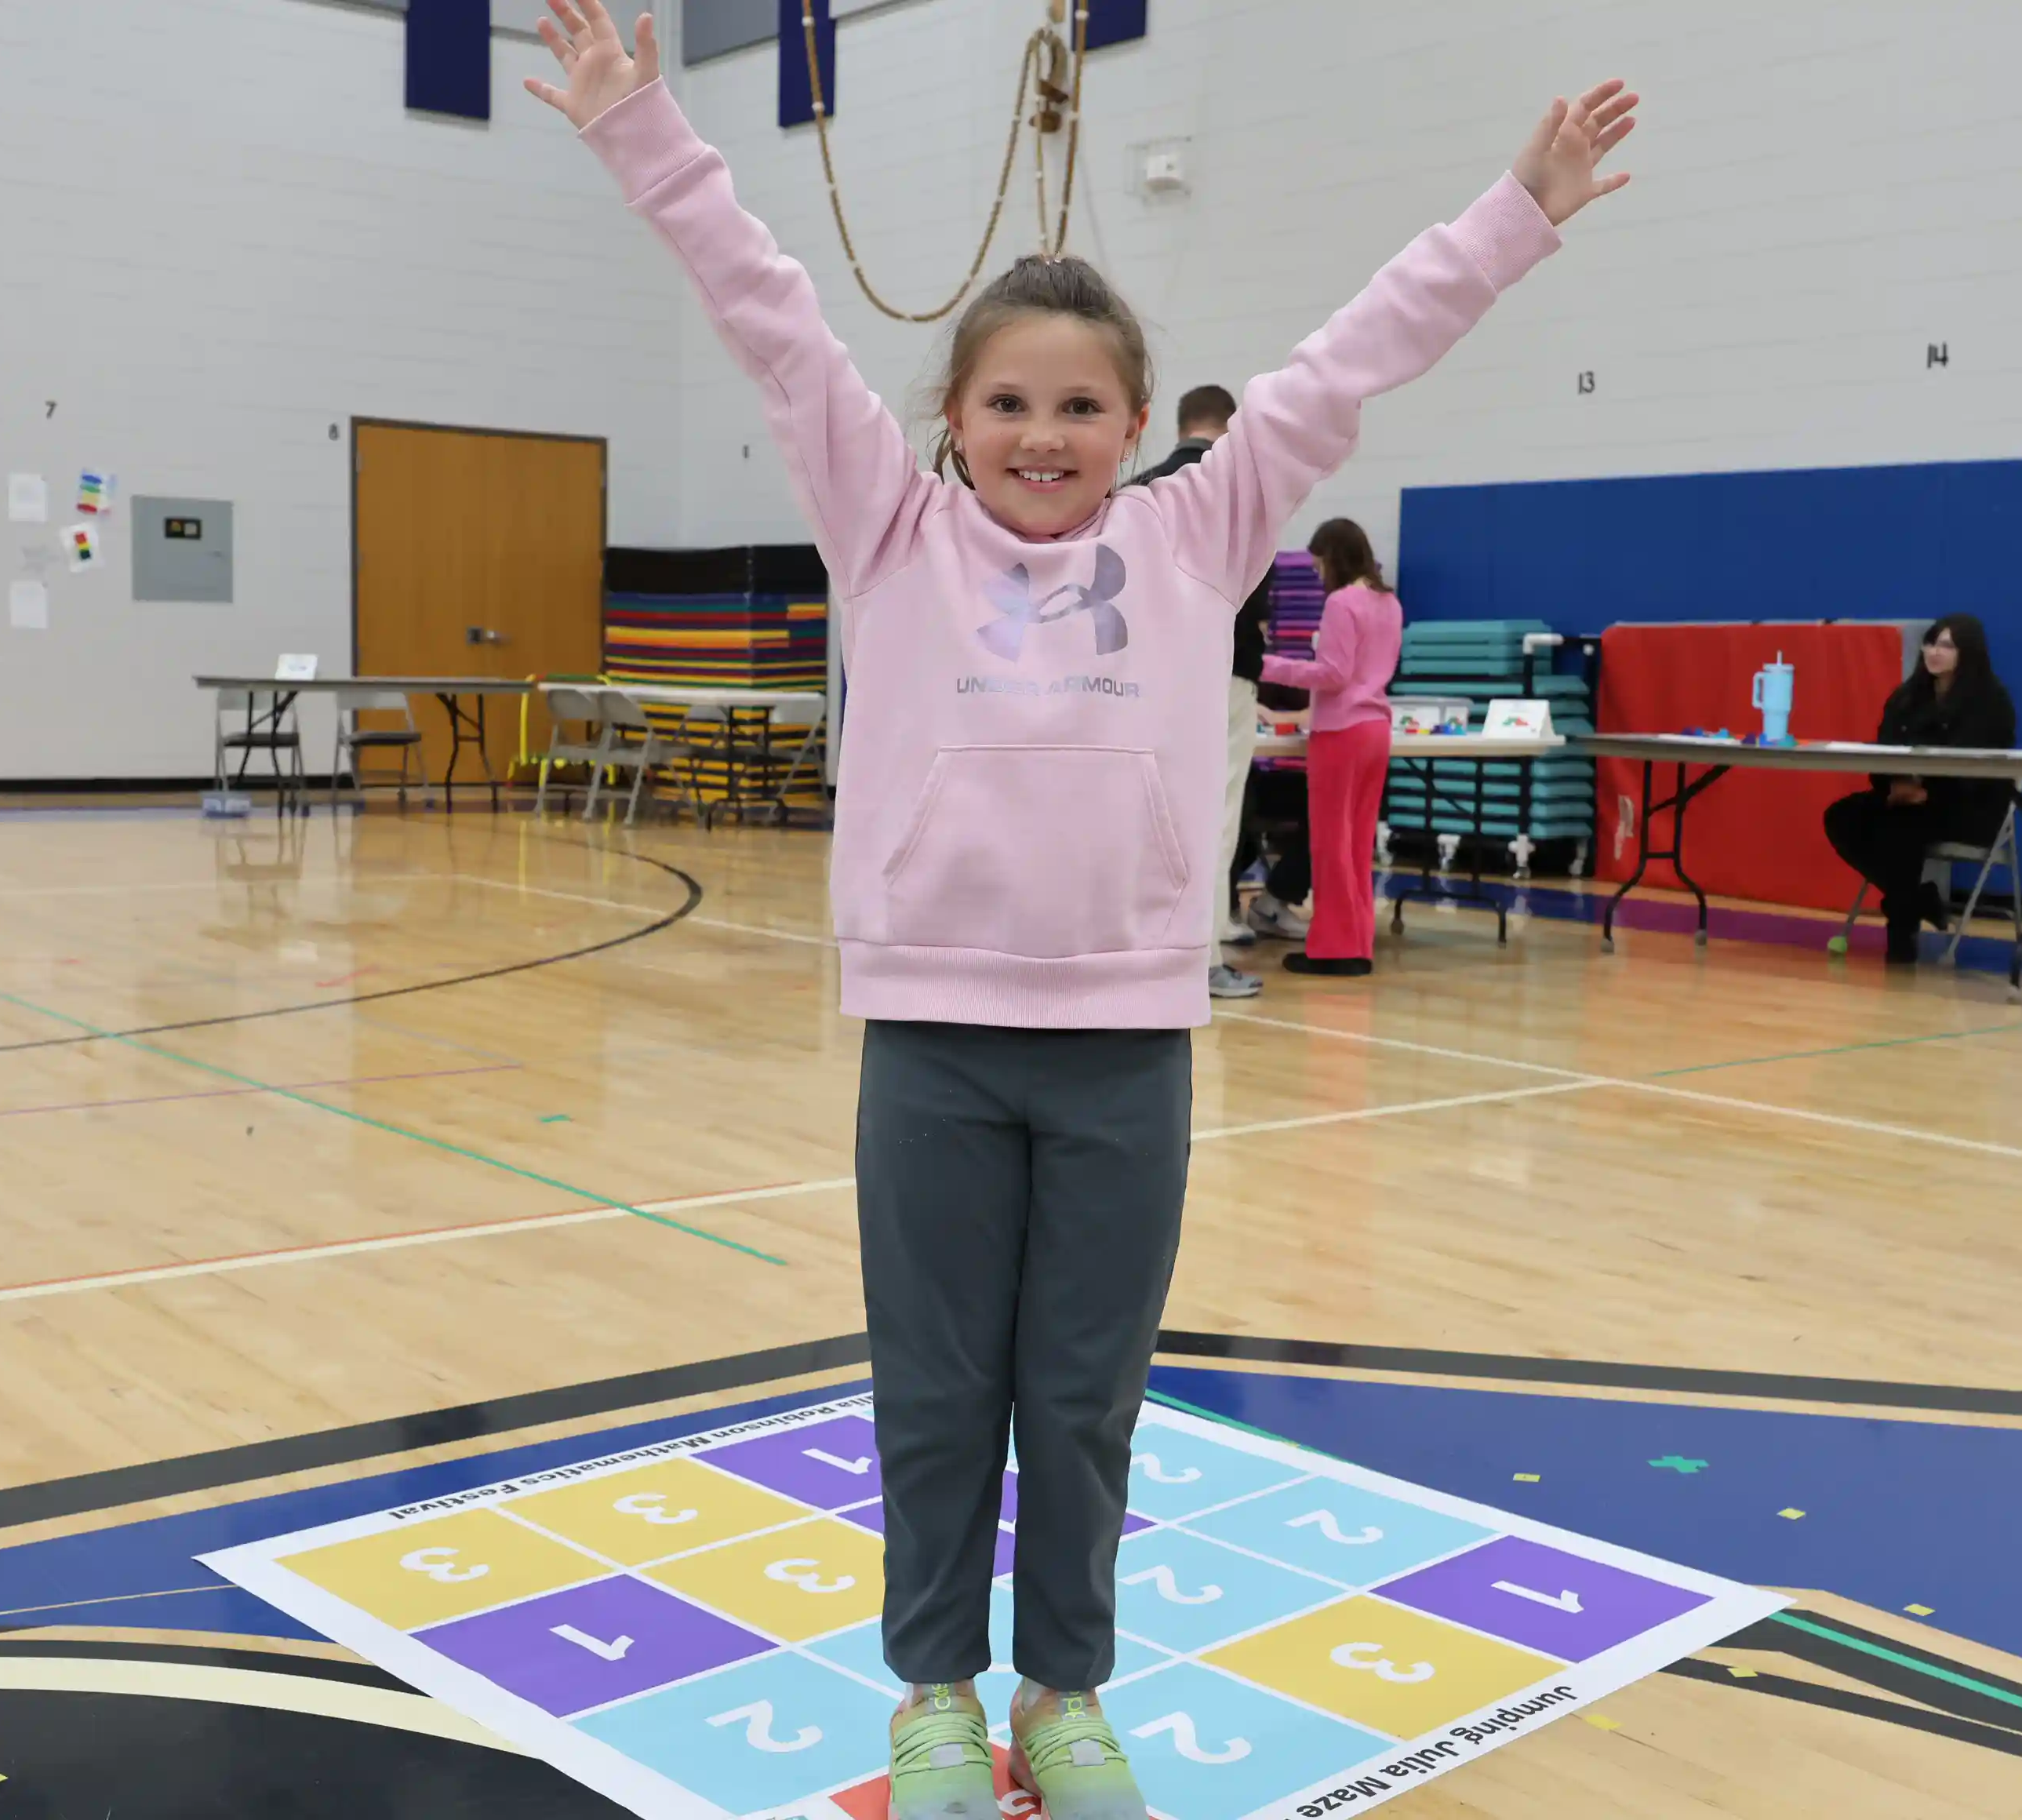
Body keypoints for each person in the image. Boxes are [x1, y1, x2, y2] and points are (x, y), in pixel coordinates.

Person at [529, 6, 1635, 1807]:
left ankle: (1063, 1694)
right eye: (1007, 403)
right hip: (933, 1045)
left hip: (1126, 1049)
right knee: (936, 1394)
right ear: (950, 421)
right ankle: (932, 1700)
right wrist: (643, 129)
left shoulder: (1198, 532)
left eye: (1077, 406)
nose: (1041, 435)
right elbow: (767, 309)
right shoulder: (888, 529)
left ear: (1135, 424)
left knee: (1085, 1402)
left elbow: (1354, 356)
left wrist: (1517, 209)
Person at [1133, 384, 1272, 1001]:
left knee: (1150, 815)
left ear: (1181, 423)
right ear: (1230, 426)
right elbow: (1254, 600)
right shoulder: (1237, 489)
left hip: (1144, 676)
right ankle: (1204, 955)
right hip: (1222, 670)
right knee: (1214, 815)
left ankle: (1149, 946)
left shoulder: (1139, 491)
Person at [1823, 613, 2018, 963]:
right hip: (1907, 799)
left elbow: (1980, 773)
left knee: (1901, 826)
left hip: (1969, 808)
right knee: (1842, 816)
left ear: (1968, 652)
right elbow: (1883, 752)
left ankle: (1901, 936)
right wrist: (1892, 786)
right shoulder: (1907, 697)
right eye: (1931, 643)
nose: (1934, 651)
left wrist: (1928, 794)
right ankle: (1918, 900)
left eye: (1947, 645)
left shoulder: (1990, 701)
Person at [1260, 520, 1404, 977]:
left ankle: (1332, 947)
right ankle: (1358, 941)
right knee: (1358, 843)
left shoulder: (1342, 603)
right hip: (1376, 729)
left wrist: (1267, 665)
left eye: (1320, 565)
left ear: (1335, 558)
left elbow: (1333, 675)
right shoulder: (1390, 602)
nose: (1318, 574)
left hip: (1341, 731)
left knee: (1330, 843)